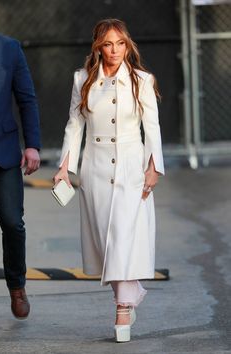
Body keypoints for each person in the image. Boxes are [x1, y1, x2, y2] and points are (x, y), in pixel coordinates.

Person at [54, 18, 164, 342]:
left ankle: (122, 307)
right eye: (107, 44)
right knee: (106, 242)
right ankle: (132, 293)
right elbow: (74, 126)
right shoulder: (82, 79)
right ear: (97, 47)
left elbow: (152, 127)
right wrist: (65, 167)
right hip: (95, 168)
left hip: (132, 167)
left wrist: (153, 166)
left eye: (120, 43)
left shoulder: (142, 80)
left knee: (123, 238)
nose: (114, 50)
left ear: (127, 45)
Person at [0, 33, 41, 319]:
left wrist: (33, 145)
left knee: (12, 222)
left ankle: (17, 286)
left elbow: (27, 99)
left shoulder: (9, 48)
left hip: (3, 152)